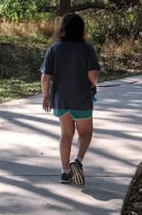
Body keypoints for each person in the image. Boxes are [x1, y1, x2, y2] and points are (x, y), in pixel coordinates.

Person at [40, 13, 100, 185]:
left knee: (66, 134)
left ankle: (65, 171)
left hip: (60, 99)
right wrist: (93, 82)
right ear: (81, 29)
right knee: (86, 132)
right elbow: (93, 76)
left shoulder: (54, 49)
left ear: (62, 29)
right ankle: (78, 160)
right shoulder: (87, 49)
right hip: (81, 97)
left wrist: (45, 97)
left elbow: (45, 77)